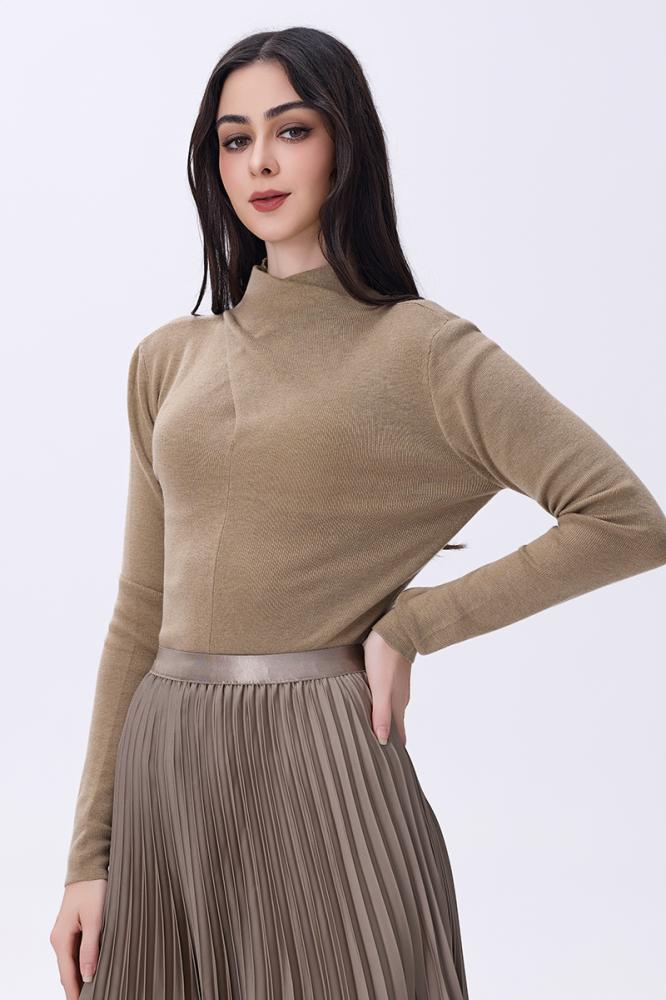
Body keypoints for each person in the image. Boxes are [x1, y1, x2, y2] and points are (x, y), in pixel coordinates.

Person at [50, 26, 666, 1000]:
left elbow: (626, 519)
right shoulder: (167, 360)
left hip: (320, 762)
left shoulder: (420, 350)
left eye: (291, 130)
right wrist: (89, 856)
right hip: (165, 765)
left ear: (345, 144)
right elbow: (138, 609)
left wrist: (415, 623)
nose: (260, 161)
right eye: (235, 138)